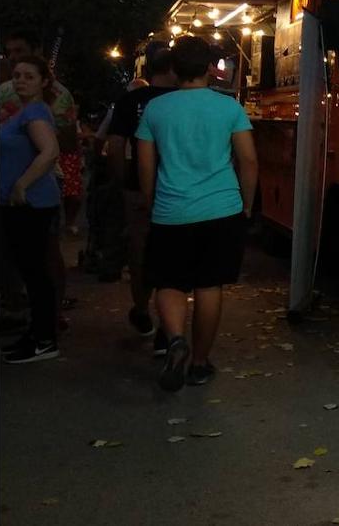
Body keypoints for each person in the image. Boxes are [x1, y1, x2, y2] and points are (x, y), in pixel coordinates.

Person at [136, 36, 257, 392]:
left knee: (170, 282)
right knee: (209, 285)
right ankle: (200, 362)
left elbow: (145, 164)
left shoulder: (156, 109)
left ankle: (175, 340)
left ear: (173, 69)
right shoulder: (230, 108)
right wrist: (247, 204)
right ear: (209, 69)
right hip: (221, 209)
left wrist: (149, 200)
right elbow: (248, 160)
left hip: (172, 210)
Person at [0, 29, 77, 330]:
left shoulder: (49, 101)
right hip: (10, 185)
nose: (16, 63)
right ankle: (21, 306)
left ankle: (48, 316)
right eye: (10, 54)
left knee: (42, 252)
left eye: (20, 52)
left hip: (34, 186)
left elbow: (56, 149)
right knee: (13, 250)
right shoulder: (6, 91)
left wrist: (22, 182)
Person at [107, 48, 176, 351]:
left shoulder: (129, 102)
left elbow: (116, 144)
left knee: (140, 253)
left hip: (138, 187)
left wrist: (122, 181)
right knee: (172, 254)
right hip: (177, 187)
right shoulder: (182, 102)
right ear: (173, 69)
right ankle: (168, 325)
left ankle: (142, 309)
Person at [0, 56, 62, 363]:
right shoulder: (24, 112)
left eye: (28, 76)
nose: (20, 80)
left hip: (30, 203)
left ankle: (44, 338)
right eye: (17, 76)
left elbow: (50, 151)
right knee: (30, 269)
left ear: (43, 82)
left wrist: (22, 184)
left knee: (34, 270)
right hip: (21, 203)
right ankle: (37, 333)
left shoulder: (35, 112)